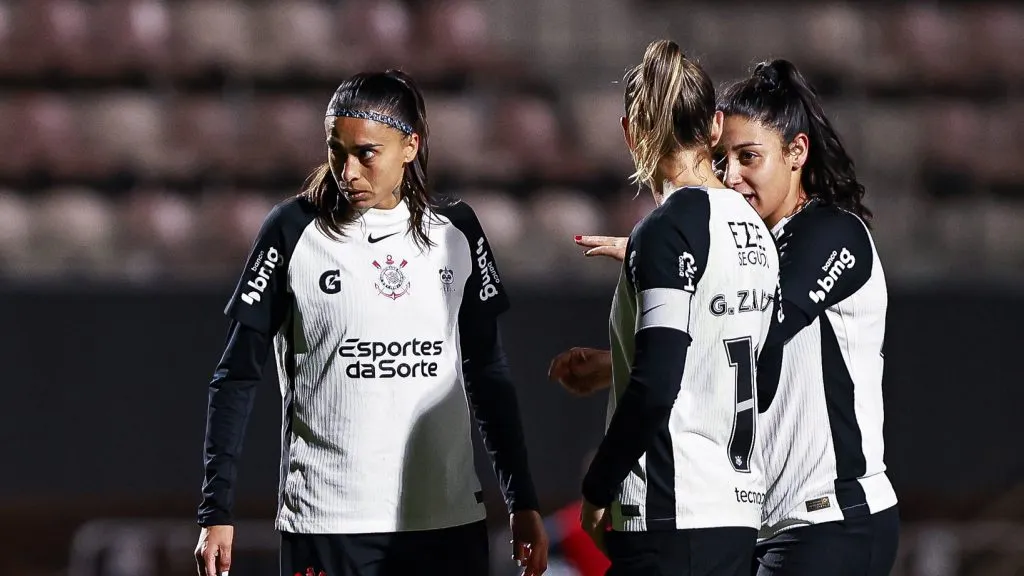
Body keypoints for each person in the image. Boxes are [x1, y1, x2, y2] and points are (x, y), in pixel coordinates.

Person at [193, 69, 548, 576]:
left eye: (366, 153)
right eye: (337, 151)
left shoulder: (458, 232)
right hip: (330, 524)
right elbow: (235, 376)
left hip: (446, 522)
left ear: (410, 146)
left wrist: (521, 500)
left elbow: (488, 374)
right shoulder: (293, 231)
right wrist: (216, 511)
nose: (348, 171)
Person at [553, 59, 899, 576]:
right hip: (764, 523)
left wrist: (673, 262)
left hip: (834, 520)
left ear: (796, 152)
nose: (731, 175)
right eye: (723, 159)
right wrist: (621, 354)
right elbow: (727, 333)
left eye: (749, 157)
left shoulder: (834, 233)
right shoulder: (754, 242)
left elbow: (763, 326)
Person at [575, 39, 780, 576]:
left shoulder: (667, 230)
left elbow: (657, 382)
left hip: (671, 516)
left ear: (630, 133)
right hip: (736, 509)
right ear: (714, 128)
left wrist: (596, 488)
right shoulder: (755, 229)